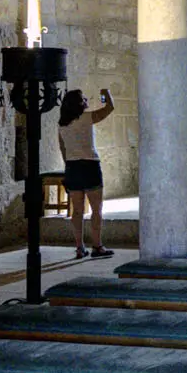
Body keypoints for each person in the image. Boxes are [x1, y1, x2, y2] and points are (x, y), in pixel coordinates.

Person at [57, 87, 116, 258]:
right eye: (84, 99)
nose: (86, 102)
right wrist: (105, 95)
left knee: (77, 210)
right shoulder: (87, 117)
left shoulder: (62, 125)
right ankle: (97, 246)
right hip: (90, 165)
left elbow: (63, 148)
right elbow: (109, 108)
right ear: (78, 103)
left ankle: (79, 247)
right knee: (96, 209)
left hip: (72, 167)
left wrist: (69, 165)